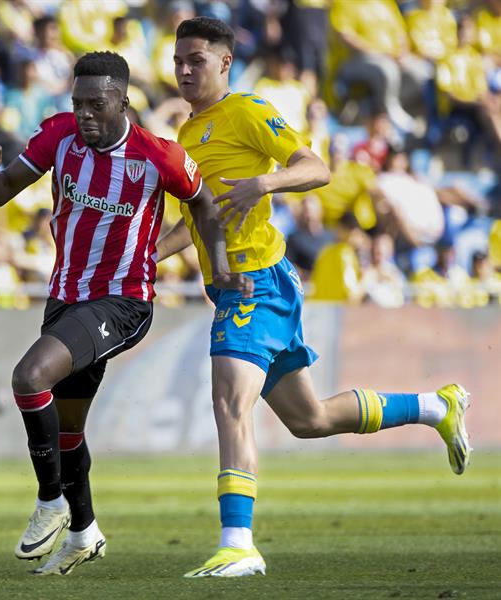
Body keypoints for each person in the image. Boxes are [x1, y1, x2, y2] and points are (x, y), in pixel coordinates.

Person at [171, 17, 471, 579]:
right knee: (309, 419)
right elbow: (197, 221)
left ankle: (238, 544)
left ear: (224, 63)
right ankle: (438, 406)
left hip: (254, 284)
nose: (185, 70)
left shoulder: (247, 111)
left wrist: (264, 183)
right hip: (242, 285)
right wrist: (144, 259)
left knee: (229, 403)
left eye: (196, 60)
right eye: (178, 61)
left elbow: (316, 167)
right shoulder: (189, 135)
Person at [0, 51, 246, 576]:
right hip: (66, 296)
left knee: (29, 376)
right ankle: (85, 532)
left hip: (123, 300)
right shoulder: (58, 135)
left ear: (123, 100)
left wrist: (220, 267)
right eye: (78, 103)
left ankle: (51, 503)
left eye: (97, 103)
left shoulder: (159, 156)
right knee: (67, 429)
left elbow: (203, 203)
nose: (86, 114)